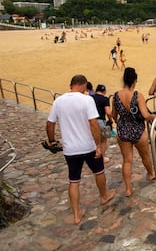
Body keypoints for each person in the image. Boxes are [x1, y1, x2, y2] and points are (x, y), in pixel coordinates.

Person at [46, 75, 115, 224]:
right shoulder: (87, 100)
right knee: (99, 171)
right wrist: (97, 145)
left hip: (70, 148)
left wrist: (52, 141)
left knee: (74, 180)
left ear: (71, 85)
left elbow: (50, 124)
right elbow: (93, 124)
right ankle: (104, 196)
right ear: (83, 85)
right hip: (87, 145)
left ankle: (76, 214)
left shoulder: (58, 101)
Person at [112, 68, 156, 197]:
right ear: (134, 80)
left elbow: (114, 116)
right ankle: (151, 174)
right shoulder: (137, 95)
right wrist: (153, 116)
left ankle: (128, 188)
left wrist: (120, 120)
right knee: (145, 156)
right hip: (138, 129)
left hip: (123, 129)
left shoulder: (116, 96)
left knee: (127, 160)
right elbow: (145, 114)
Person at [92, 84, 113, 163]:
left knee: (94, 140)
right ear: (104, 91)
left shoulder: (91, 98)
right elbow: (108, 112)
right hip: (102, 121)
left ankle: (95, 156)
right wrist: (111, 120)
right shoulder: (105, 99)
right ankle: (102, 157)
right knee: (104, 140)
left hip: (92, 121)